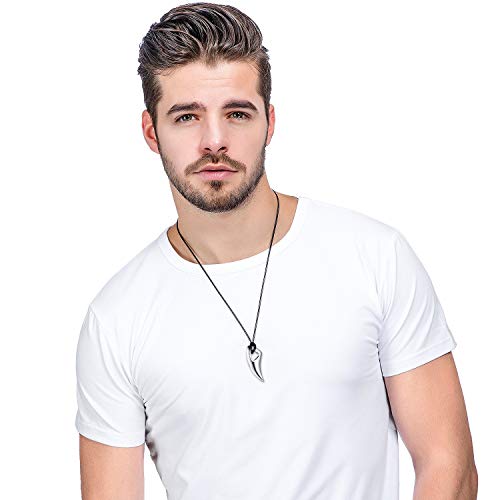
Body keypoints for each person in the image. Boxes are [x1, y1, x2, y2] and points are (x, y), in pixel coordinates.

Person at [74, 3, 478, 499]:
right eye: (187, 117)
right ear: (151, 131)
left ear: (269, 122)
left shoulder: (375, 257)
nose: (214, 141)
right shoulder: (117, 318)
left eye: (237, 114)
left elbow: (448, 465)